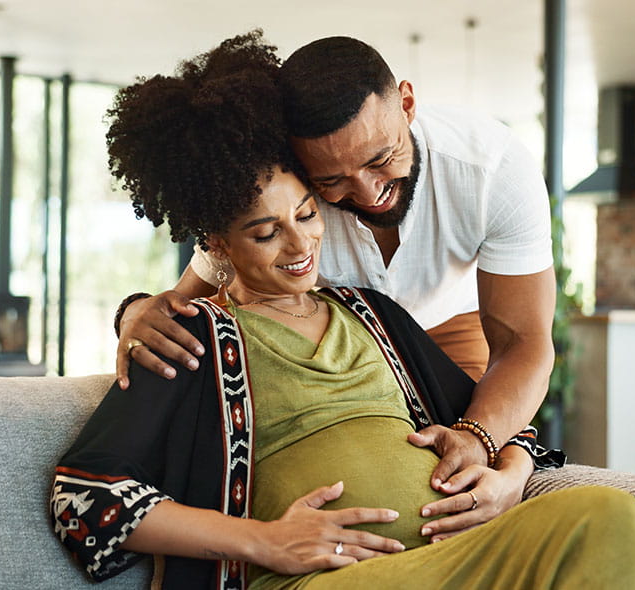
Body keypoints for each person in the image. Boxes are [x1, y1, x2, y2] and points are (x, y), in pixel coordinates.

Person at [51, 31, 635, 590]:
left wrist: (505, 468)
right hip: (334, 579)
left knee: (605, 514)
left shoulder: (377, 305)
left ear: (406, 104)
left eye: (307, 216)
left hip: (454, 548)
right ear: (219, 242)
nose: (301, 244)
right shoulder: (197, 337)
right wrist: (263, 541)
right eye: (267, 233)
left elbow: (513, 369)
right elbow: (83, 496)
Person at [115, 34, 556, 530]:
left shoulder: (492, 169)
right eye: (331, 182)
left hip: (447, 328)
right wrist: (135, 311)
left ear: (407, 104)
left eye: (380, 159)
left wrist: (488, 445)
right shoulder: (283, 187)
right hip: (354, 339)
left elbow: (524, 343)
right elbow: (184, 301)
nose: (368, 193)